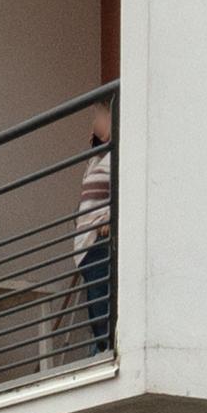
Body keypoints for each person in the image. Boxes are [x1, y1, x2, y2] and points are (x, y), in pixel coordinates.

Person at [74, 102, 116, 355]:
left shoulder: (118, 156)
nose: (94, 122)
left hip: (100, 238)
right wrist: (95, 149)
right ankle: (100, 349)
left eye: (100, 117)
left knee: (102, 306)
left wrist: (109, 218)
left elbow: (123, 190)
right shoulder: (98, 158)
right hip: (86, 244)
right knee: (95, 304)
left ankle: (104, 350)